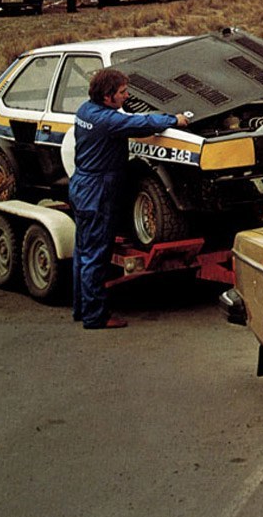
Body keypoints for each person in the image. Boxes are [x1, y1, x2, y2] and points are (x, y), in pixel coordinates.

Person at [70, 69, 189, 329]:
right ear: (107, 96)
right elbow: (142, 124)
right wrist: (174, 119)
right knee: (95, 256)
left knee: (83, 251)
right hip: (97, 191)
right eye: (122, 92)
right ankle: (95, 317)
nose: (127, 96)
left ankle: (82, 309)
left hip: (82, 186)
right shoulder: (107, 121)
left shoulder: (84, 111)